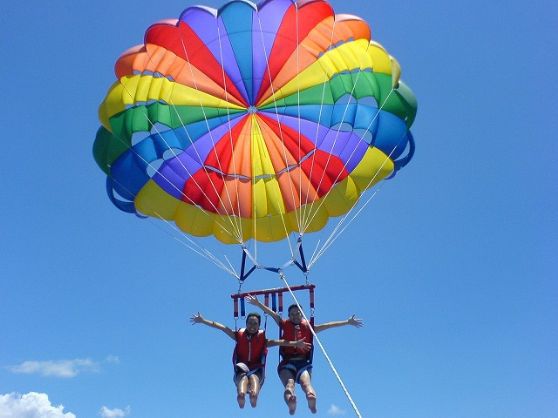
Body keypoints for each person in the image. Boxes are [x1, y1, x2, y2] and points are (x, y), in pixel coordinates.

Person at [246, 295, 363, 415]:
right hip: (287, 363)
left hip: (303, 363)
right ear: (288, 315)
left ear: (302, 314)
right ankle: (292, 401)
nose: (294, 316)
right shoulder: (284, 323)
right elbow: (271, 313)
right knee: (290, 384)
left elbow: (328, 325)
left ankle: (310, 396)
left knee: (304, 384)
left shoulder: (308, 327)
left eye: (297, 314)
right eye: (292, 314)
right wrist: (258, 304)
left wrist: (347, 322)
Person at [190, 311, 311, 409]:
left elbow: (280, 342)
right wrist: (203, 321)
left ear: (259, 326)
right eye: (250, 323)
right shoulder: (238, 335)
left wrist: (296, 343)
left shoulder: (263, 339)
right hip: (241, 366)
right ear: (246, 323)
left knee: (254, 378)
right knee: (242, 378)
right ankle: (241, 394)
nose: (252, 326)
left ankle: (254, 394)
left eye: (255, 324)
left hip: (257, 367)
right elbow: (222, 327)